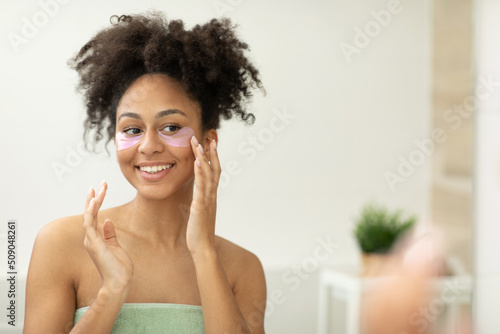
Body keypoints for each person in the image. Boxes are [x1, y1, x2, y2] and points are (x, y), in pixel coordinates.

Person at [23, 11, 267, 334]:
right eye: (133, 128)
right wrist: (111, 292)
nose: (149, 145)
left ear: (208, 143)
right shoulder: (62, 245)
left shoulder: (242, 269)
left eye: (170, 126)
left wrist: (204, 252)